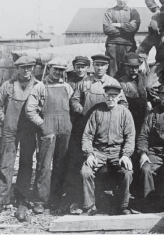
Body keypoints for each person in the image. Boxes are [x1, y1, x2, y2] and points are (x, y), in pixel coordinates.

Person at [65, 54, 127, 213]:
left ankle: (107, 197)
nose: (99, 68)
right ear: (93, 66)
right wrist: (78, 107)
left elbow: (123, 103)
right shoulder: (85, 83)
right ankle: (84, 200)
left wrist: (117, 115)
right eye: (97, 65)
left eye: (103, 65)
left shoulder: (113, 83)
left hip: (106, 127)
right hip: (86, 126)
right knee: (85, 162)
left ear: (107, 66)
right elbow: (75, 99)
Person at [0, 56, 38, 219]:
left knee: (26, 164)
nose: (26, 70)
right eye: (23, 67)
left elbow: (43, 107)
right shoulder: (8, 86)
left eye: (29, 67)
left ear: (33, 68)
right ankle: (0, 200)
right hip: (9, 132)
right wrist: (4, 120)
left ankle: (22, 199)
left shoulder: (38, 86)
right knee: (5, 164)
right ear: (17, 69)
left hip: (29, 131)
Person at [24, 57, 73, 214]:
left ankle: (57, 197)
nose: (58, 72)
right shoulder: (40, 87)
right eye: (55, 69)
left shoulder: (67, 87)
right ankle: (40, 199)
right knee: (44, 166)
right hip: (48, 131)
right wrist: (41, 124)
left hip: (65, 130)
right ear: (49, 69)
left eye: (61, 70)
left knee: (61, 164)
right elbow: (29, 110)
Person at [80, 84, 138, 215]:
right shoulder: (97, 112)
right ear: (104, 96)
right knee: (86, 172)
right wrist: (89, 154)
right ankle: (89, 206)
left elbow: (130, 136)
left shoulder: (125, 112)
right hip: (98, 151)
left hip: (117, 152)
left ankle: (123, 205)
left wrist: (126, 155)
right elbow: (87, 136)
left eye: (114, 96)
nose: (111, 99)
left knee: (127, 172)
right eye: (108, 96)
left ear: (119, 97)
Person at [103, 0, 141, 77]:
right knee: (112, 72)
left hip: (128, 46)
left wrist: (118, 25)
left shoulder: (133, 12)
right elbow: (107, 29)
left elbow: (134, 27)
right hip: (112, 46)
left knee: (128, 71)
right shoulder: (109, 12)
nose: (121, 0)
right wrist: (126, 30)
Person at [118, 53, 148, 135]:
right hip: (130, 115)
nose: (134, 70)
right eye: (131, 67)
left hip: (143, 114)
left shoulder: (143, 78)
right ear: (126, 67)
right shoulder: (121, 82)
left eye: (136, 67)